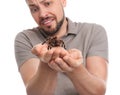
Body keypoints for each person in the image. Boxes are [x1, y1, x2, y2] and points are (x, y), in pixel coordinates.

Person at [14, 0, 108, 95]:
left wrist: (74, 67)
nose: (42, 14)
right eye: (34, 9)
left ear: (63, 1)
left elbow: (98, 92)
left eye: (47, 3)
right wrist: (47, 63)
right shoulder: (25, 38)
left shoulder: (93, 32)